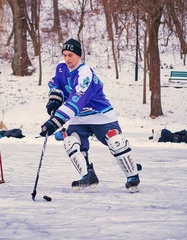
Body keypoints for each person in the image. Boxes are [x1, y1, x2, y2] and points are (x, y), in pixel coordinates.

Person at [40, 38, 141, 192]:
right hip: (79, 117)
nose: (67, 59)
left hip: (100, 115)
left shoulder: (85, 73)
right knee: (70, 141)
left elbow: (76, 99)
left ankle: (132, 175)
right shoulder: (61, 68)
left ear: (79, 55)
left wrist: (56, 121)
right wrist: (55, 96)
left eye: (71, 55)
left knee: (115, 141)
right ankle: (88, 175)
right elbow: (56, 84)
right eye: (65, 55)